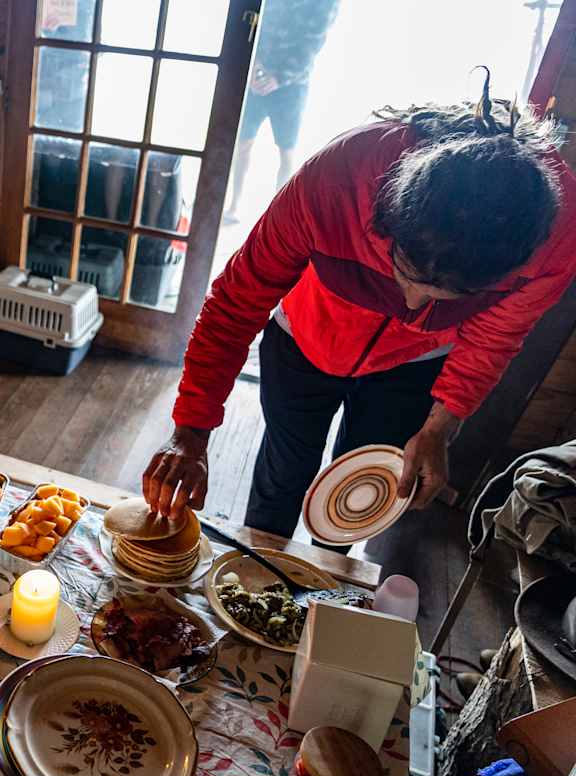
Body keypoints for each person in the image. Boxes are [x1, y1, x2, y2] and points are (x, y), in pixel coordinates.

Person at [143, 77, 575, 544]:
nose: (412, 308)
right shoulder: (338, 178)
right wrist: (193, 428)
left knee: (361, 490)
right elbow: (236, 302)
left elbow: (494, 339)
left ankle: (329, 586)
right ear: (388, 218)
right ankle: (253, 566)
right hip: (304, 339)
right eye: (405, 278)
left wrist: (439, 427)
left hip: (415, 366)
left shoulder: (560, 236)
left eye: (441, 297)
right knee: (284, 468)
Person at [224, 0, 341, 225]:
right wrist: (253, 62)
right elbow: (255, 16)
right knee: (243, 143)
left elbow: (314, 41)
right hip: (255, 75)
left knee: (286, 151)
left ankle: (278, 216)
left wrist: (280, 78)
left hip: (292, 87)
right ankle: (233, 205)